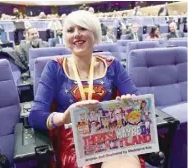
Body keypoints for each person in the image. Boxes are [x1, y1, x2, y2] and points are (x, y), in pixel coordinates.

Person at [28, 10, 141, 168]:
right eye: (70, 30)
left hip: (111, 132)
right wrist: (63, 117)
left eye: (82, 28)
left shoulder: (113, 65)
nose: (76, 34)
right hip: (74, 139)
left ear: (94, 33)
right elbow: (34, 116)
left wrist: (129, 104)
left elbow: (139, 103)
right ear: (65, 38)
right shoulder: (54, 68)